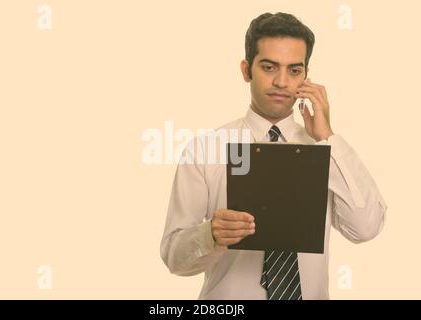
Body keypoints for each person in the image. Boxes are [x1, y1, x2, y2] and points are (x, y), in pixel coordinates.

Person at [160, 12, 386, 300]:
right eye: (269, 67)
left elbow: (365, 228)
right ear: (246, 70)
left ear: (306, 76)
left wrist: (327, 138)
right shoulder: (205, 149)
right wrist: (210, 235)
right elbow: (173, 257)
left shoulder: (327, 153)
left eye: (294, 70)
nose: (281, 81)